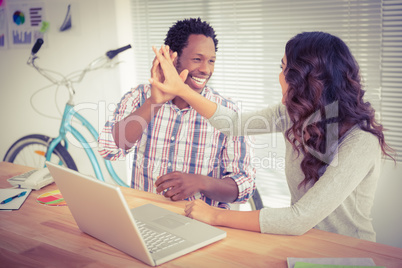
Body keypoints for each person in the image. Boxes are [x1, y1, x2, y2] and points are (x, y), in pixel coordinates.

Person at [150, 31, 395, 241]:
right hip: (302, 241)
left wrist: (214, 215)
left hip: (348, 251)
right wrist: (181, 90)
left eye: (283, 67)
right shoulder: (293, 114)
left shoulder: (361, 141)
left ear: (304, 78)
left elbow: (299, 218)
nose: (280, 75)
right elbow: (233, 124)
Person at [98, 18, 256, 209]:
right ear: (173, 58)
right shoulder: (140, 96)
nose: (205, 69)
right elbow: (109, 149)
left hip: (201, 225)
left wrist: (201, 182)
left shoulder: (227, 111)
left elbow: (245, 186)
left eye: (211, 61)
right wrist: (153, 102)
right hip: (145, 217)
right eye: (197, 59)